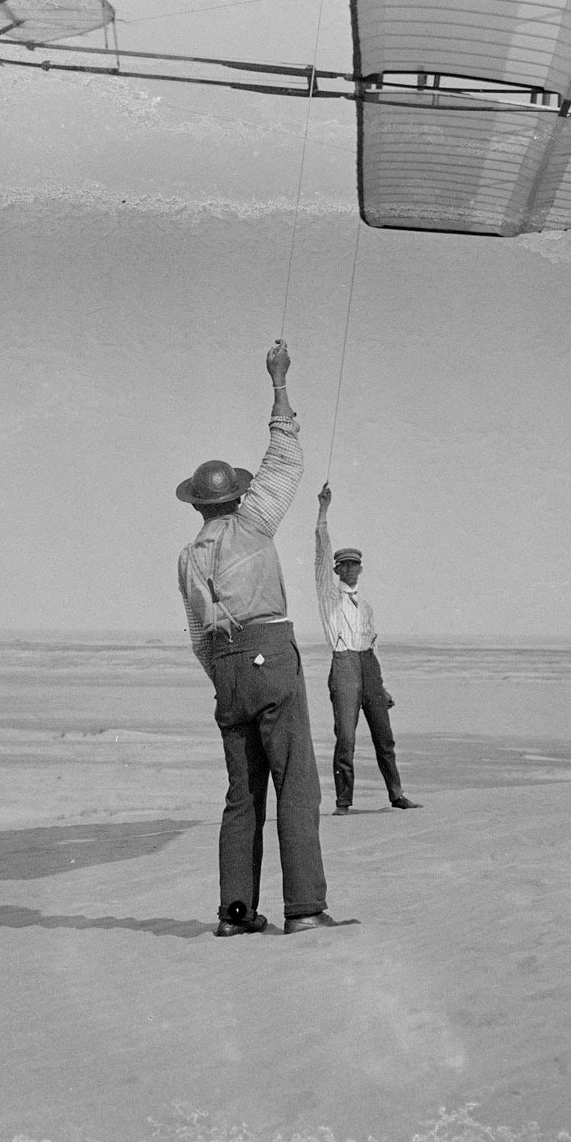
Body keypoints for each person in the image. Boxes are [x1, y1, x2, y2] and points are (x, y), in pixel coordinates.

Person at [177, 340, 338, 936]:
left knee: (242, 793)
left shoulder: (189, 556)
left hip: (224, 666)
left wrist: (224, 672)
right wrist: (278, 381)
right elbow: (286, 458)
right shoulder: (253, 522)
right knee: (296, 781)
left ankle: (235, 913)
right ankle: (305, 909)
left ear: (198, 505)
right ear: (236, 496)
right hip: (268, 652)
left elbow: (198, 634)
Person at [315, 482, 421, 816]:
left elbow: (372, 649)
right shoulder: (329, 597)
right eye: (342, 566)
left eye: (353, 565)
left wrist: (381, 685)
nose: (348, 570)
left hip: (368, 667)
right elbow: (320, 551)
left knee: (384, 737)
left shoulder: (367, 607)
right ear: (336, 571)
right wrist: (323, 510)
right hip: (344, 666)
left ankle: (397, 793)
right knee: (345, 738)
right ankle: (343, 802)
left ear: (360, 568)